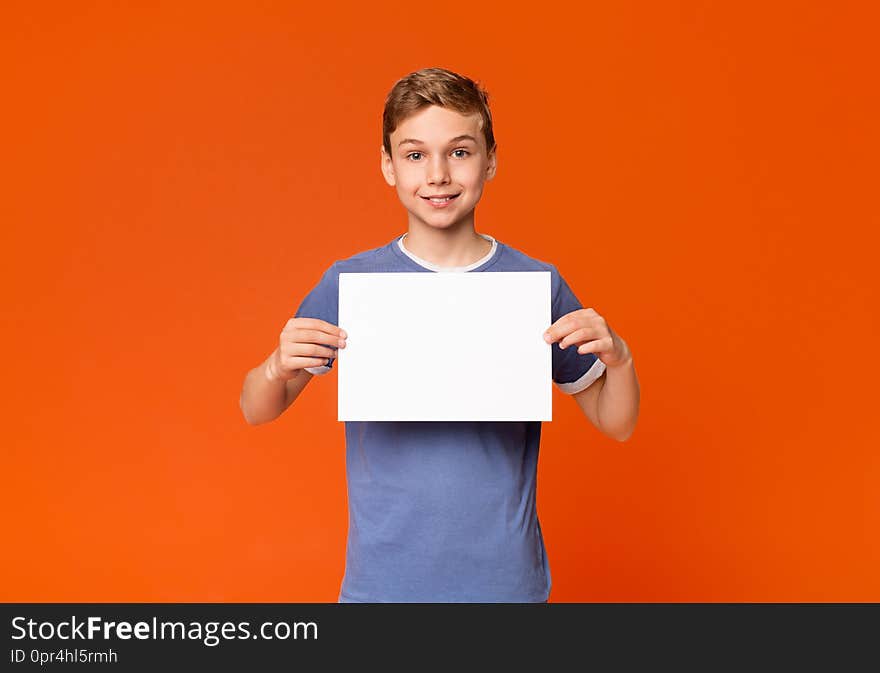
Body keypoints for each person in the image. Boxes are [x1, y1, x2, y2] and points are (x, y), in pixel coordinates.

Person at [239, 67, 640, 602]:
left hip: (506, 588)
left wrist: (621, 359)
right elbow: (257, 408)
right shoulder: (353, 284)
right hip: (382, 590)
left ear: (490, 159)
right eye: (413, 155)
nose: (437, 174)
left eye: (459, 151)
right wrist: (275, 366)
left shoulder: (534, 285)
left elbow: (616, 422)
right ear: (387, 166)